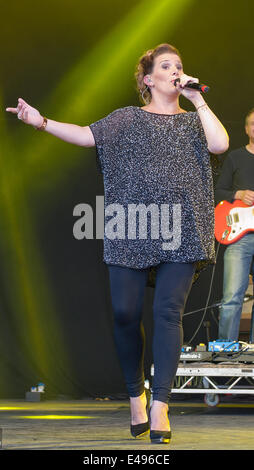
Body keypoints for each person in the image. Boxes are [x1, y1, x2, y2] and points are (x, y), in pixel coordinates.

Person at [6, 43, 229, 444]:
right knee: (125, 314)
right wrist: (41, 122)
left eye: (179, 65)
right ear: (148, 79)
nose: (176, 71)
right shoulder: (127, 118)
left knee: (167, 314)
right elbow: (85, 135)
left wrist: (197, 99)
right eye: (166, 66)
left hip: (181, 230)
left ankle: (160, 404)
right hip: (130, 226)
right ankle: (136, 395)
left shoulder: (196, 120)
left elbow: (220, 145)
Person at [215, 108, 254, 343]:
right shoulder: (236, 157)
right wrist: (239, 193)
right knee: (232, 296)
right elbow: (218, 191)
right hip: (240, 235)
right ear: (246, 129)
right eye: (252, 123)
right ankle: (225, 351)